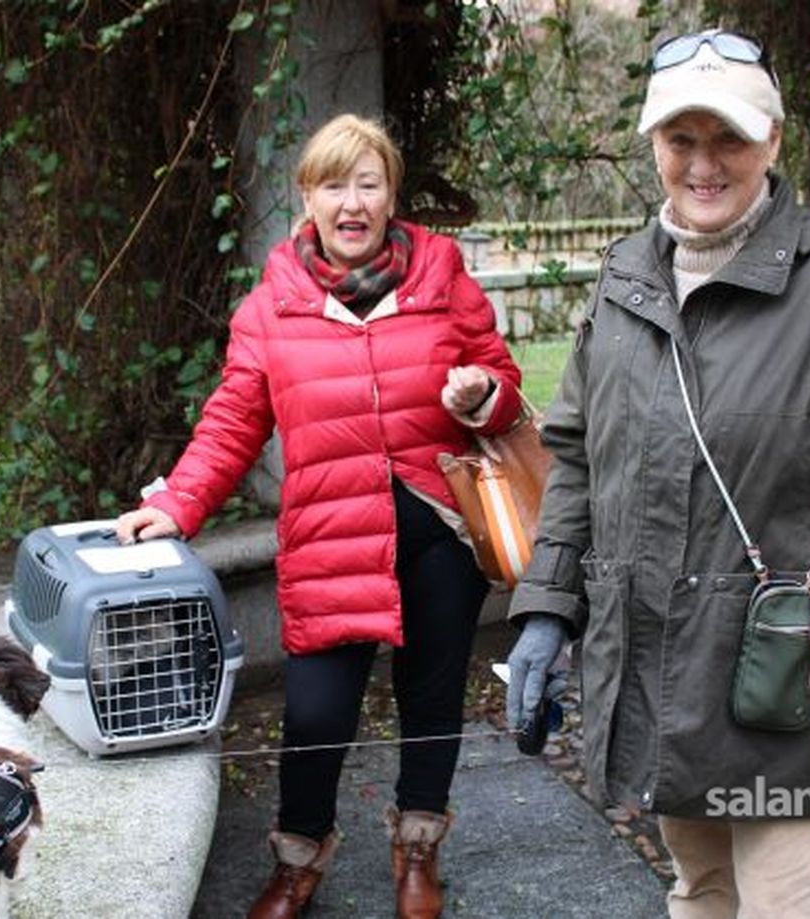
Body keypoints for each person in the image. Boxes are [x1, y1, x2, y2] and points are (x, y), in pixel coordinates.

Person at [504, 28, 810, 919]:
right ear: (654, 146)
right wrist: (546, 612)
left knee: (783, 906)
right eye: (682, 140)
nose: (704, 165)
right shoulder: (625, 276)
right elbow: (580, 460)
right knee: (700, 888)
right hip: (658, 665)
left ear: (774, 141)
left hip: (784, 677)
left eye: (730, 139)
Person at [115, 113, 523, 919]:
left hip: (437, 534)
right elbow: (234, 419)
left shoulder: (443, 280)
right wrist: (176, 503)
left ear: (391, 195)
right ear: (308, 197)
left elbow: (500, 381)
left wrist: (481, 394)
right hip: (332, 537)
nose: (352, 201)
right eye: (334, 184)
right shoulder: (273, 307)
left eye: (368, 183)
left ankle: (417, 851)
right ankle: (299, 861)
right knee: (315, 715)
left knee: (433, 701)